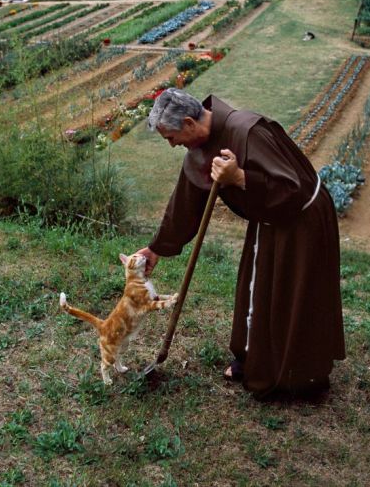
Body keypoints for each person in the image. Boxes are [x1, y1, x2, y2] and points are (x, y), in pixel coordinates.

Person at [137, 89, 345, 400]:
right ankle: (253, 357)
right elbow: (185, 205)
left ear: (190, 123)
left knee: (293, 297)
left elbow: (293, 189)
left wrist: (241, 178)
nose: (172, 145)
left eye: (171, 137)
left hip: (301, 222)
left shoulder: (248, 131)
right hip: (269, 218)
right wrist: (156, 249)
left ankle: (299, 378)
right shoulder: (200, 146)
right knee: (257, 288)